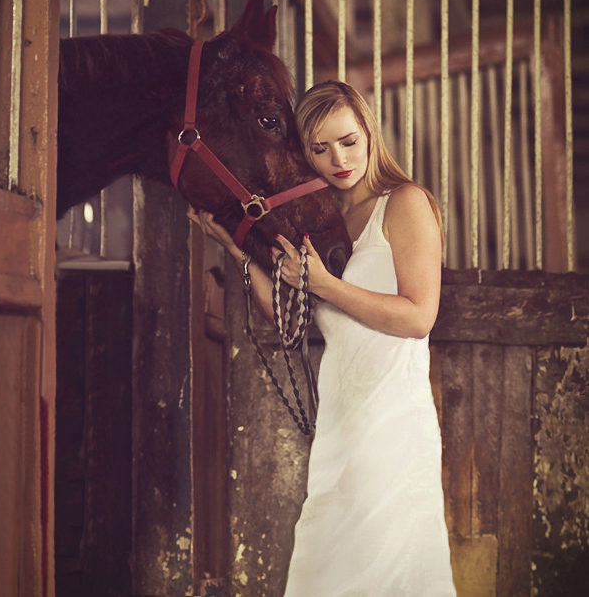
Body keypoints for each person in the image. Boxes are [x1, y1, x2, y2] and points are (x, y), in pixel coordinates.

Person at [189, 80, 456, 596]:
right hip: (340, 426)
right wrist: (234, 246)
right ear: (303, 153)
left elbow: (419, 317)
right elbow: (291, 321)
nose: (339, 158)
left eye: (349, 141)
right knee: (323, 568)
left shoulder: (405, 203)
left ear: (370, 135)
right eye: (320, 148)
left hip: (394, 425)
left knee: (386, 567)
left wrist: (328, 284)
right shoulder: (323, 222)